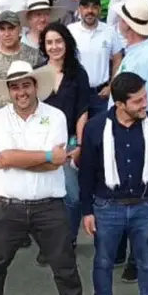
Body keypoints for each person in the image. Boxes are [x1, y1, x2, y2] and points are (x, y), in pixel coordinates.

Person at [0, 61, 92, 295]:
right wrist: (47, 156)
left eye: (26, 85)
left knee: (64, 266)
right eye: (15, 87)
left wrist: (21, 159)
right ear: (9, 91)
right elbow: (3, 159)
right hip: (8, 204)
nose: (21, 92)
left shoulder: (55, 116)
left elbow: (54, 163)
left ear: (35, 86)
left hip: (48, 205)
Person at [78, 72, 148, 295]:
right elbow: (86, 173)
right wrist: (87, 211)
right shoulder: (96, 127)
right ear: (120, 104)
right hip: (106, 206)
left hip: (145, 206)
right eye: (138, 101)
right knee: (103, 263)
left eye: (145, 97)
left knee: (147, 263)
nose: (145, 104)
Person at [108, 0, 148, 282]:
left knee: (138, 196)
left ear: (129, 26)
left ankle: (137, 257)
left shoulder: (143, 57)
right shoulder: (137, 52)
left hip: (132, 130)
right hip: (126, 127)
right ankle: (125, 251)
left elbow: (142, 104)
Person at [0, 11, 45, 189]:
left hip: (25, 122)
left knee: (24, 169)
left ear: (19, 29)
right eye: (2, 29)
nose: (7, 33)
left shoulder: (33, 55)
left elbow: (41, 88)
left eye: (11, 28)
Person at [39, 24, 92, 258]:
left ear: (67, 43)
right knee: (45, 198)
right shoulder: (37, 73)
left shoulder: (78, 74)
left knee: (72, 196)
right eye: (49, 42)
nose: (54, 47)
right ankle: (47, 244)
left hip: (68, 142)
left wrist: (79, 144)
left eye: (58, 41)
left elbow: (82, 111)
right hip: (41, 144)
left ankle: (68, 240)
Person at [68, 0, 123, 119]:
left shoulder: (109, 31)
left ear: (99, 10)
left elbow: (118, 59)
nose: (90, 11)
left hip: (101, 95)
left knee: (101, 129)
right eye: (86, 7)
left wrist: (112, 86)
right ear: (79, 9)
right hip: (76, 93)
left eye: (94, 7)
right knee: (77, 130)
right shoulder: (70, 31)